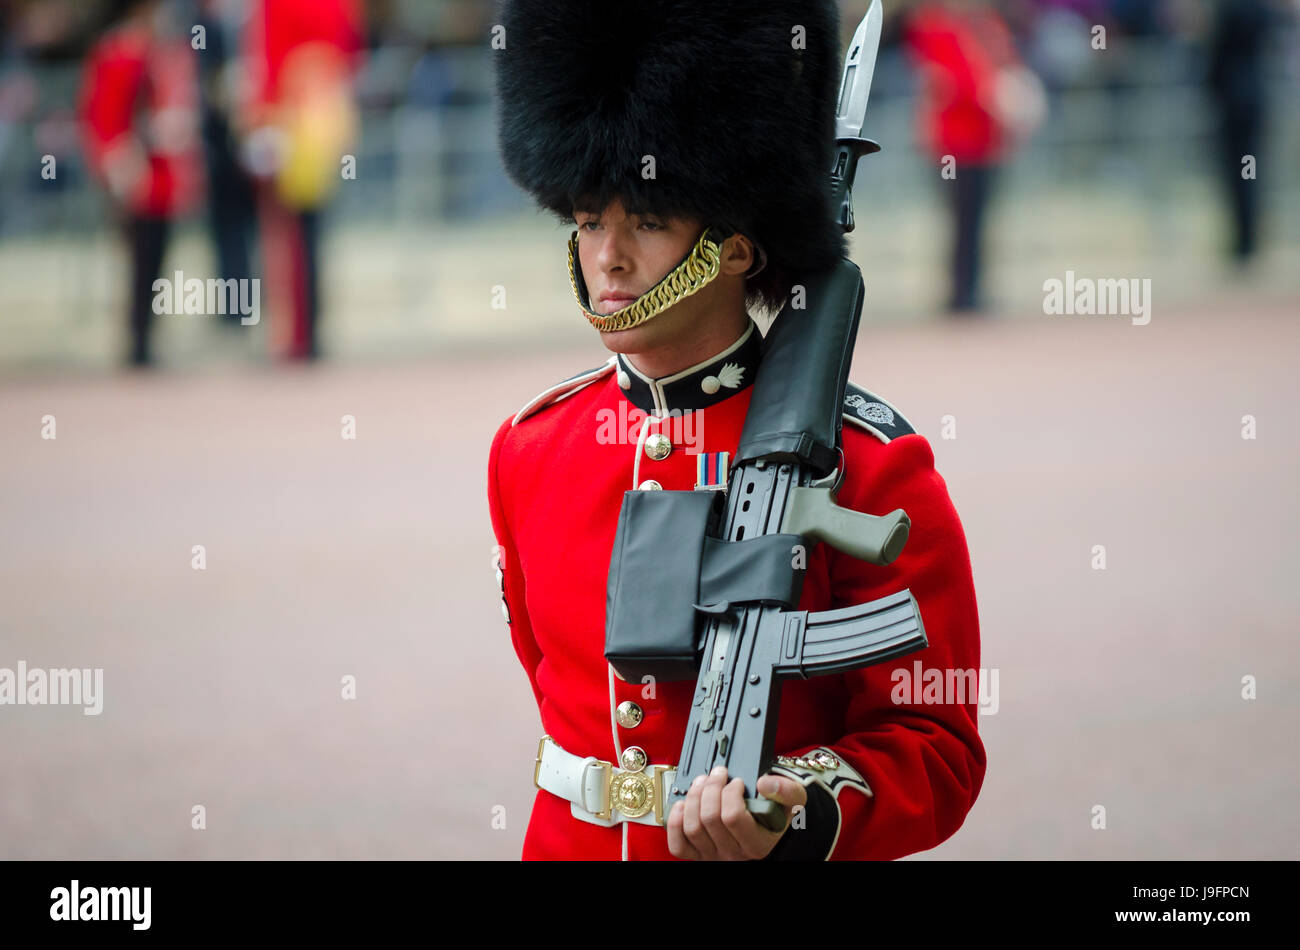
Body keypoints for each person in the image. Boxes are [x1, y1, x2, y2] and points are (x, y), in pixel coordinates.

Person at [488, 0, 985, 860]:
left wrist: (795, 807)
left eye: (646, 221)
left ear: (738, 248)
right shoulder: (531, 450)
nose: (607, 257)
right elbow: (552, 682)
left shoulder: (869, 464)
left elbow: (935, 743)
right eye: (588, 219)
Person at [80, 0, 202, 367]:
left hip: (160, 176)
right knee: (140, 261)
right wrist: (115, 162)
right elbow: (105, 113)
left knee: (156, 262)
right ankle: (137, 340)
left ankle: (146, 337)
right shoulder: (120, 53)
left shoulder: (161, 52)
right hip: (134, 172)